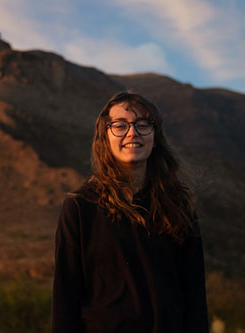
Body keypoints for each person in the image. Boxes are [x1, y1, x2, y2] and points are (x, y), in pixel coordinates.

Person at [52, 91, 209, 332]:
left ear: (155, 137)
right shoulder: (80, 207)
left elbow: (195, 297)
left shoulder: (179, 207)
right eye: (120, 125)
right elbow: (65, 299)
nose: (132, 133)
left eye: (142, 124)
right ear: (106, 136)